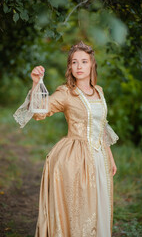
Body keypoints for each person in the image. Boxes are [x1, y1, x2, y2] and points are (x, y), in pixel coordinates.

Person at [13, 41, 119, 237]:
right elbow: (39, 112)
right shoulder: (66, 93)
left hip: (100, 158)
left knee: (100, 208)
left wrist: (110, 157)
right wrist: (36, 83)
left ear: (92, 64)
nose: (79, 66)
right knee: (80, 211)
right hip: (75, 161)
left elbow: (101, 126)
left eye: (84, 62)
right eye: (74, 62)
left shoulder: (99, 91)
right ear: (70, 66)